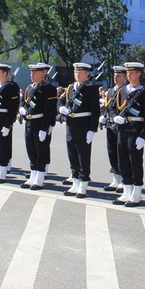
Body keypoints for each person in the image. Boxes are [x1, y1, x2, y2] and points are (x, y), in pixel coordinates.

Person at [111, 62, 145, 207]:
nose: (128, 75)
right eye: (127, 72)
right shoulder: (122, 90)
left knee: (135, 161)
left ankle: (137, 192)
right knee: (122, 160)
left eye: (132, 72)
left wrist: (143, 135)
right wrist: (114, 117)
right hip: (123, 129)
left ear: (139, 74)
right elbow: (112, 107)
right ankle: (126, 190)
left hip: (136, 130)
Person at [58, 62, 101, 198]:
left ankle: (83, 184)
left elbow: (95, 111)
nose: (77, 74)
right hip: (71, 125)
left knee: (83, 156)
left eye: (80, 72)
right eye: (76, 72)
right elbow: (60, 100)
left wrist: (92, 130)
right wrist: (60, 108)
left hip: (83, 125)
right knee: (72, 154)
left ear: (87, 74)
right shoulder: (70, 88)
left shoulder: (91, 89)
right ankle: (75, 181)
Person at [19, 63, 57, 190]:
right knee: (31, 151)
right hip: (29, 123)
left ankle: (40, 178)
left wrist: (45, 128)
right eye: (31, 73)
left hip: (40, 123)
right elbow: (25, 103)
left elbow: (49, 110)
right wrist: (22, 110)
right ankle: (33, 175)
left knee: (41, 151)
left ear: (42, 74)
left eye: (35, 73)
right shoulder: (29, 88)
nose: (32, 75)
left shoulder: (48, 89)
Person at [99, 66, 127, 193]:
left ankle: (123, 179)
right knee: (112, 152)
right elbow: (107, 107)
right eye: (115, 75)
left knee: (122, 153)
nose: (115, 77)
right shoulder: (110, 91)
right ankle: (115, 179)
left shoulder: (127, 91)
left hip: (122, 127)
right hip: (110, 126)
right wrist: (103, 116)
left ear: (125, 77)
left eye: (119, 75)